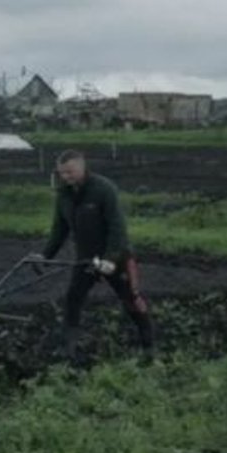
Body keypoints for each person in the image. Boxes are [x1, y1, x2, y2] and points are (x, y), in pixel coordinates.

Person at [31, 149, 154, 360]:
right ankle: (68, 350)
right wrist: (46, 256)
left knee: (131, 299)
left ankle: (149, 347)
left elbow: (117, 228)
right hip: (86, 259)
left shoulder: (103, 189)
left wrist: (110, 259)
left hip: (116, 257)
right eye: (62, 173)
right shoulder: (64, 195)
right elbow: (59, 229)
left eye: (70, 172)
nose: (65, 177)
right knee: (72, 300)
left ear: (82, 167)